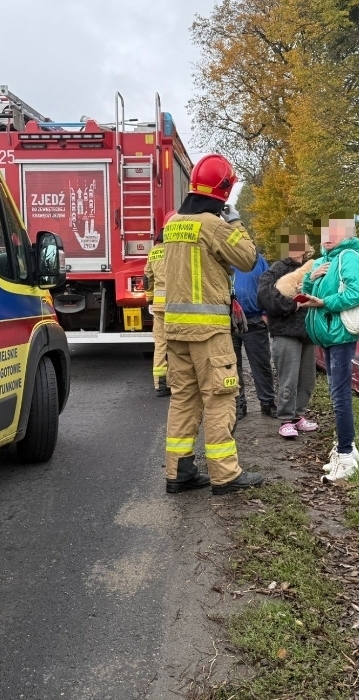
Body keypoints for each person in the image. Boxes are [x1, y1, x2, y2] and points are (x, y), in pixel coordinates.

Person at [162, 153, 263, 495]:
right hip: (208, 333)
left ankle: (179, 472)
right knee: (221, 398)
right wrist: (235, 222)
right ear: (223, 191)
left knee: (183, 400)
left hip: (175, 331)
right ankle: (225, 475)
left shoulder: (172, 223)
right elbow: (248, 258)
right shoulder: (214, 225)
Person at [299, 217, 359, 482]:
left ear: (347, 235)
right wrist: (310, 278)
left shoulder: (348, 256)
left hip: (340, 334)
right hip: (326, 335)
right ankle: (344, 449)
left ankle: (346, 454)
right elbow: (306, 292)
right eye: (325, 232)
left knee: (340, 397)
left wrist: (324, 302)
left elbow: (356, 294)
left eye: (335, 232)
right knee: (334, 393)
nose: (328, 236)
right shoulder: (321, 261)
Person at [257, 228, 318, 439]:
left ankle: (298, 416)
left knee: (307, 379)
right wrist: (294, 306)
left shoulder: (315, 267)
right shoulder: (277, 269)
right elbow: (265, 296)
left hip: (309, 332)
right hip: (285, 332)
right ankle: (285, 419)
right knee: (288, 378)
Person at [231, 252, 277, 420]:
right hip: (228, 322)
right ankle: (238, 405)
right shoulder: (222, 257)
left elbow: (268, 286)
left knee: (262, 365)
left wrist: (265, 313)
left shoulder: (257, 259)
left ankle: (267, 403)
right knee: (231, 368)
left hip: (254, 320)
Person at [145, 212, 176, 397]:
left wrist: (150, 297)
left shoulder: (154, 251)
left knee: (160, 345)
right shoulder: (177, 250)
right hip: (176, 305)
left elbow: (146, 277)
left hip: (158, 306)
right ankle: (173, 382)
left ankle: (160, 384)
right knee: (176, 346)